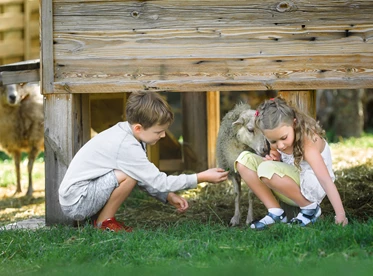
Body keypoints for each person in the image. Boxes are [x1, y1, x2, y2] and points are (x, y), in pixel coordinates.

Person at [59, 92, 229, 232]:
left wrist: (167, 196)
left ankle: (100, 219)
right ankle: (104, 223)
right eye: (159, 131)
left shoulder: (130, 134)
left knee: (130, 174)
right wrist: (200, 177)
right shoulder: (125, 145)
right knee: (127, 176)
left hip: (81, 194)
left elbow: (144, 177)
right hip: (77, 201)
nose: (163, 136)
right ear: (138, 128)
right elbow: (159, 181)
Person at [235, 97, 348, 230]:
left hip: (313, 186)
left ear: (294, 124)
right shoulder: (277, 139)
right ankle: (276, 212)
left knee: (266, 169)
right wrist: (274, 159)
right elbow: (276, 154)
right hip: (293, 181)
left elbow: (325, 180)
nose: (280, 145)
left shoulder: (307, 142)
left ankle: (310, 210)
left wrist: (340, 215)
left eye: (284, 138)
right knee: (244, 160)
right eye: (273, 141)